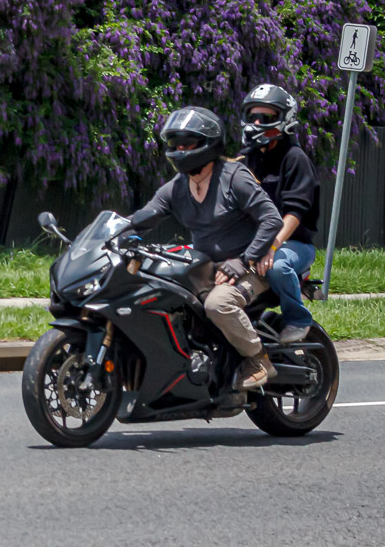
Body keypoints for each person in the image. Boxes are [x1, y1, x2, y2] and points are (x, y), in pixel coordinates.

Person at [121, 106, 284, 390]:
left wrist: (244, 260)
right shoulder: (176, 188)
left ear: (207, 144)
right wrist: (115, 235)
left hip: (251, 267)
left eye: (186, 144)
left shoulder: (234, 178)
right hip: (208, 268)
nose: (179, 150)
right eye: (175, 144)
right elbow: (144, 217)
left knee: (218, 304)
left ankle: (258, 360)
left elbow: (272, 219)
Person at [239, 84, 320, 343]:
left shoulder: (295, 159)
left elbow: (295, 212)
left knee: (278, 267)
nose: (257, 123)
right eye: (252, 116)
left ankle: (298, 320)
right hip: (252, 243)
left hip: (293, 244)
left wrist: (272, 246)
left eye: (266, 117)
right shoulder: (245, 159)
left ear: (285, 120)